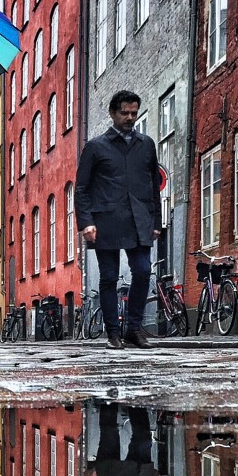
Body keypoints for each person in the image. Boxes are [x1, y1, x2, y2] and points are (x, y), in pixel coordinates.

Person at [74, 90, 163, 350]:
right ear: (113, 113)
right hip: (106, 222)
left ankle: (133, 329)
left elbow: (152, 184)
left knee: (144, 272)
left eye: (134, 113)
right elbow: (82, 188)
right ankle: (113, 333)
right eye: (124, 113)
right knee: (109, 277)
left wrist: (155, 221)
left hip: (139, 219)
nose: (130, 117)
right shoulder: (96, 146)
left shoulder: (146, 144)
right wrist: (86, 222)